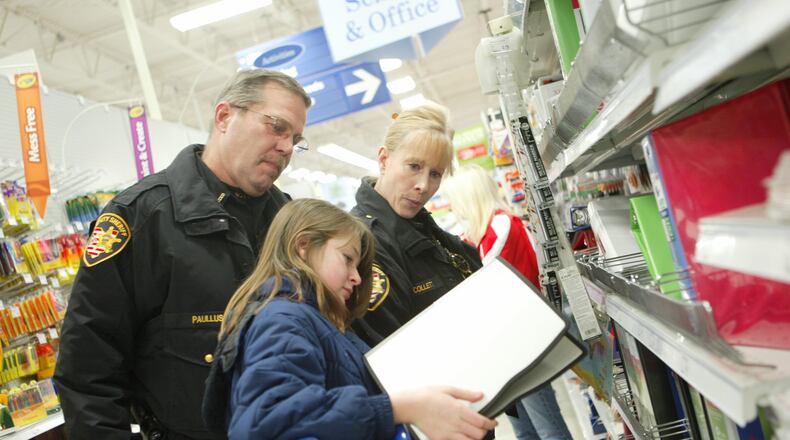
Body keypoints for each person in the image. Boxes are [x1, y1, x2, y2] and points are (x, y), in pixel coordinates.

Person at [53, 69, 311, 440]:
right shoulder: (141, 218)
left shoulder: (290, 221)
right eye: (276, 127)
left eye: (296, 139)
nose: (287, 147)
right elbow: (88, 370)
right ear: (225, 117)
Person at [206, 198, 497, 440]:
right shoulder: (282, 320)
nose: (357, 277)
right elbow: (265, 422)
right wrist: (398, 408)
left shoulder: (318, 320)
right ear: (302, 246)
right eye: (347, 258)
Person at [442, 165, 573, 440]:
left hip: (521, 342)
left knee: (546, 424)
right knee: (523, 428)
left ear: (470, 198)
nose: (453, 208)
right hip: (504, 346)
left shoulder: (500, 225)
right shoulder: (483, 232)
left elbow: (479, 282)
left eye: (455, 200)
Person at [350, 102, 483, 346]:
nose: (424, 186)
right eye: (414, 166)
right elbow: (394, 348)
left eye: (435, 174)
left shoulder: (424, 228)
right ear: (383, 160)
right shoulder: (363, 243)